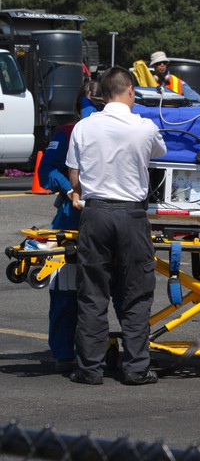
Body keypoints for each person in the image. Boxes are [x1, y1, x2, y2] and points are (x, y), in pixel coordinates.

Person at [66, 66, 167, 385]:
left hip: (95, 214)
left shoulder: (84, 127)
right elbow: (159, 154)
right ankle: (136, 367)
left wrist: (79, 193)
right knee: (136, 294)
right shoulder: (144, 127)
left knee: (93, 293)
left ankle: (89, 369)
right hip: (131, 216)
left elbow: (74, 174)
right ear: (130, 91)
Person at [38, 80, 103, 373]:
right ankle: (64, 352)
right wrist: (69, 190)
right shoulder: (67, 132)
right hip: (72, 219)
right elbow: (46, 171)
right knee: (66, 290)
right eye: (91, 103)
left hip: (111, 215)